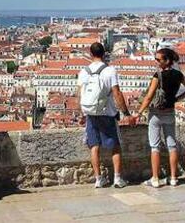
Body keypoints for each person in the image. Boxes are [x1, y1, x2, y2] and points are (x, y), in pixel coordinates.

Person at [78, 42, 136, 188]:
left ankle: (98, 179)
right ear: (104, 54)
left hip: (91, 113)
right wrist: (126, 113)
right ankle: (117, 179)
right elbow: (116, 93)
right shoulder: (110, 71)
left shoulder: (84, 71)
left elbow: (80, 94)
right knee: (115, 146)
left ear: (90, 54)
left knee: (94, 146)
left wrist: (82, 113)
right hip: (108, 113)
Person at [134, 48, 185, 187]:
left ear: (167, 61)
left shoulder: (158, 76)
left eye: (158, 60)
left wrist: (138, 113)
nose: (156, 62)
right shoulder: (179, 75)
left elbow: (149, 96)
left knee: (155, 146)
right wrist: (177, 98)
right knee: (172, 145)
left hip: (156, 113)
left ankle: (155, 179)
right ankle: (174, 177)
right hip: (170, 112)